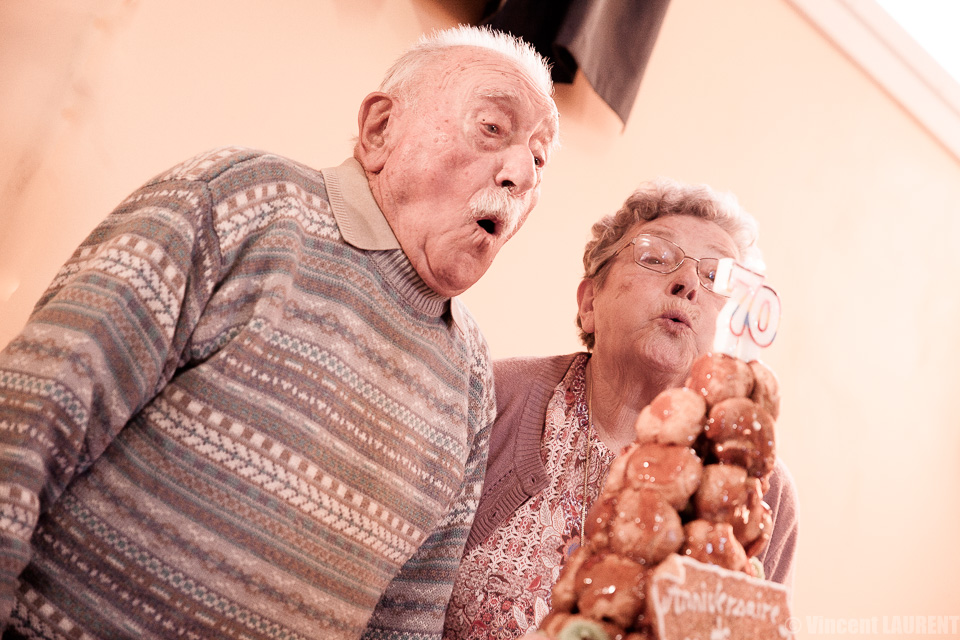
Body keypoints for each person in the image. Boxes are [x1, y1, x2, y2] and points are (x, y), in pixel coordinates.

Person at [0, 25, 560, 640]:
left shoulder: (472, 376)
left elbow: (406, 620)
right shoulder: (244, 202)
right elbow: (27, 421)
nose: (520, 174)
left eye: (538, 160)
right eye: (492, 128)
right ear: (380, 130)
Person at [442, 179, 799, 640]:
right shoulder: (489, 397)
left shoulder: (757, 489)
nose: (688, 284)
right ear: (590, 302)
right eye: (656, 257)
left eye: (717, 278)